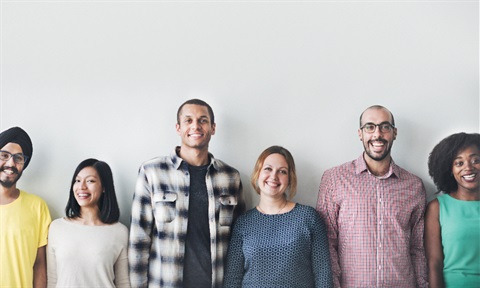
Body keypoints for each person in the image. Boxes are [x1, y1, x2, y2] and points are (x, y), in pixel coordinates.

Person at [129, 99, 245, 288]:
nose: (195, 126)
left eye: (203, 120)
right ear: (178, 128)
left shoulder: (230, 177)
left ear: (213, 128)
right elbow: (139, 240)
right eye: (188, 120)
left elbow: (238, 242)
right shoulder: (152, 172)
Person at [316, 105, 428, 288]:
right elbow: (327, 243)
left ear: (394, 132)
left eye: (385, 127)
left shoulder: (414, 185)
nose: (377, 134)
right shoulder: (335, 179)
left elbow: (418, 248)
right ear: (360, 133)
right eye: (370, 127)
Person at [224, 146, 332, 287]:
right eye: (268, 169)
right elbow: (232, 279)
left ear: (290, 179)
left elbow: (323, 276)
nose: (274, 176)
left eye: (282, 172)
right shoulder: (244, 222)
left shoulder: (308, 218)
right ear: (258, 173)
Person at [47, 158, 130, 288]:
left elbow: (123, 283)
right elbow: (52, 281)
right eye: (78, 180)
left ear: (103, 187)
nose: (82, 187)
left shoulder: (119, 231)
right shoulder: (57, 228)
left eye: (90, 181)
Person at [425, 132, 480, 288]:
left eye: (476, 160)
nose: (468, 168)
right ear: (450, 169)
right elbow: (434, 263)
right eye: (459, 163)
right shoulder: (437, 207)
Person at [0, 126, 51, 288]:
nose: (10, 163)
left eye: (18, 158)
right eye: (4, 155)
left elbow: (40, 265)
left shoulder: (37, 207)